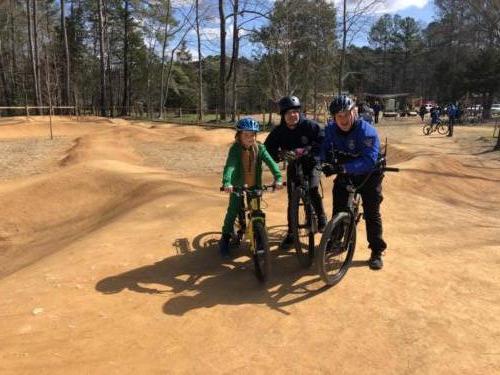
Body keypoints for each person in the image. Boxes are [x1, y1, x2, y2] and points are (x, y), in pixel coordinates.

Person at [320, 95, 387, 270]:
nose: (343, 119)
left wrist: (341, 168)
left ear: (354, 112)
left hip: (369, 175)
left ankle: (377, 252)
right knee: (338, 208)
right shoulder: (331, 130)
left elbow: (368, 161)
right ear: (334, 117)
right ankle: (335, 239)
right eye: (338, 116)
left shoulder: (367, 132)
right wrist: (323, 162)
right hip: (346, 172)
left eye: (346, 114)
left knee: (372, 213)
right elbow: (323, 149)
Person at [264, 95, 327, 249]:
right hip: (294, 164)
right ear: (283, 115)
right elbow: (267, 149)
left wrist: (310, 151)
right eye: (289, 113)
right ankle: (292, 233)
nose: (293, 115)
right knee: (292, 198)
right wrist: (279, 155)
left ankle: (321, 217)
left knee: (312, 188)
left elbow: (323, 141)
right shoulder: (279, 131)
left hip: (312, 162)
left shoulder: (310, 126)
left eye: (295, 112)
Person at [219, 118, 283, 258]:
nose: (250, 138)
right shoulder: (235, 149)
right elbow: (230, 166)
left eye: (253, 135)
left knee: (256, 210)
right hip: (237, 186)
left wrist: (278, 177)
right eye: (246, 135)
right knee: (233, 210)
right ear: (239, 135)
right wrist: (227, 182)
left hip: (254, 185)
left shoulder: (260, 148)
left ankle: (259, 236)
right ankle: (224, 238)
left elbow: (271, 163)